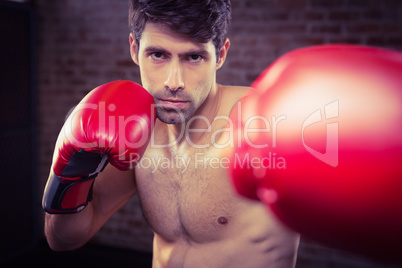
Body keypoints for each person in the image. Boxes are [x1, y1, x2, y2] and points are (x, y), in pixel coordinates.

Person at [43, 0, 300, 267]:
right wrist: (68, 168)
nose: (173, 82)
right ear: (134, 48)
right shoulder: (136, 132)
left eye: (194, 57)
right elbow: (62, 239)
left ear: (221, 55)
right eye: (158, 55)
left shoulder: (266, 124)